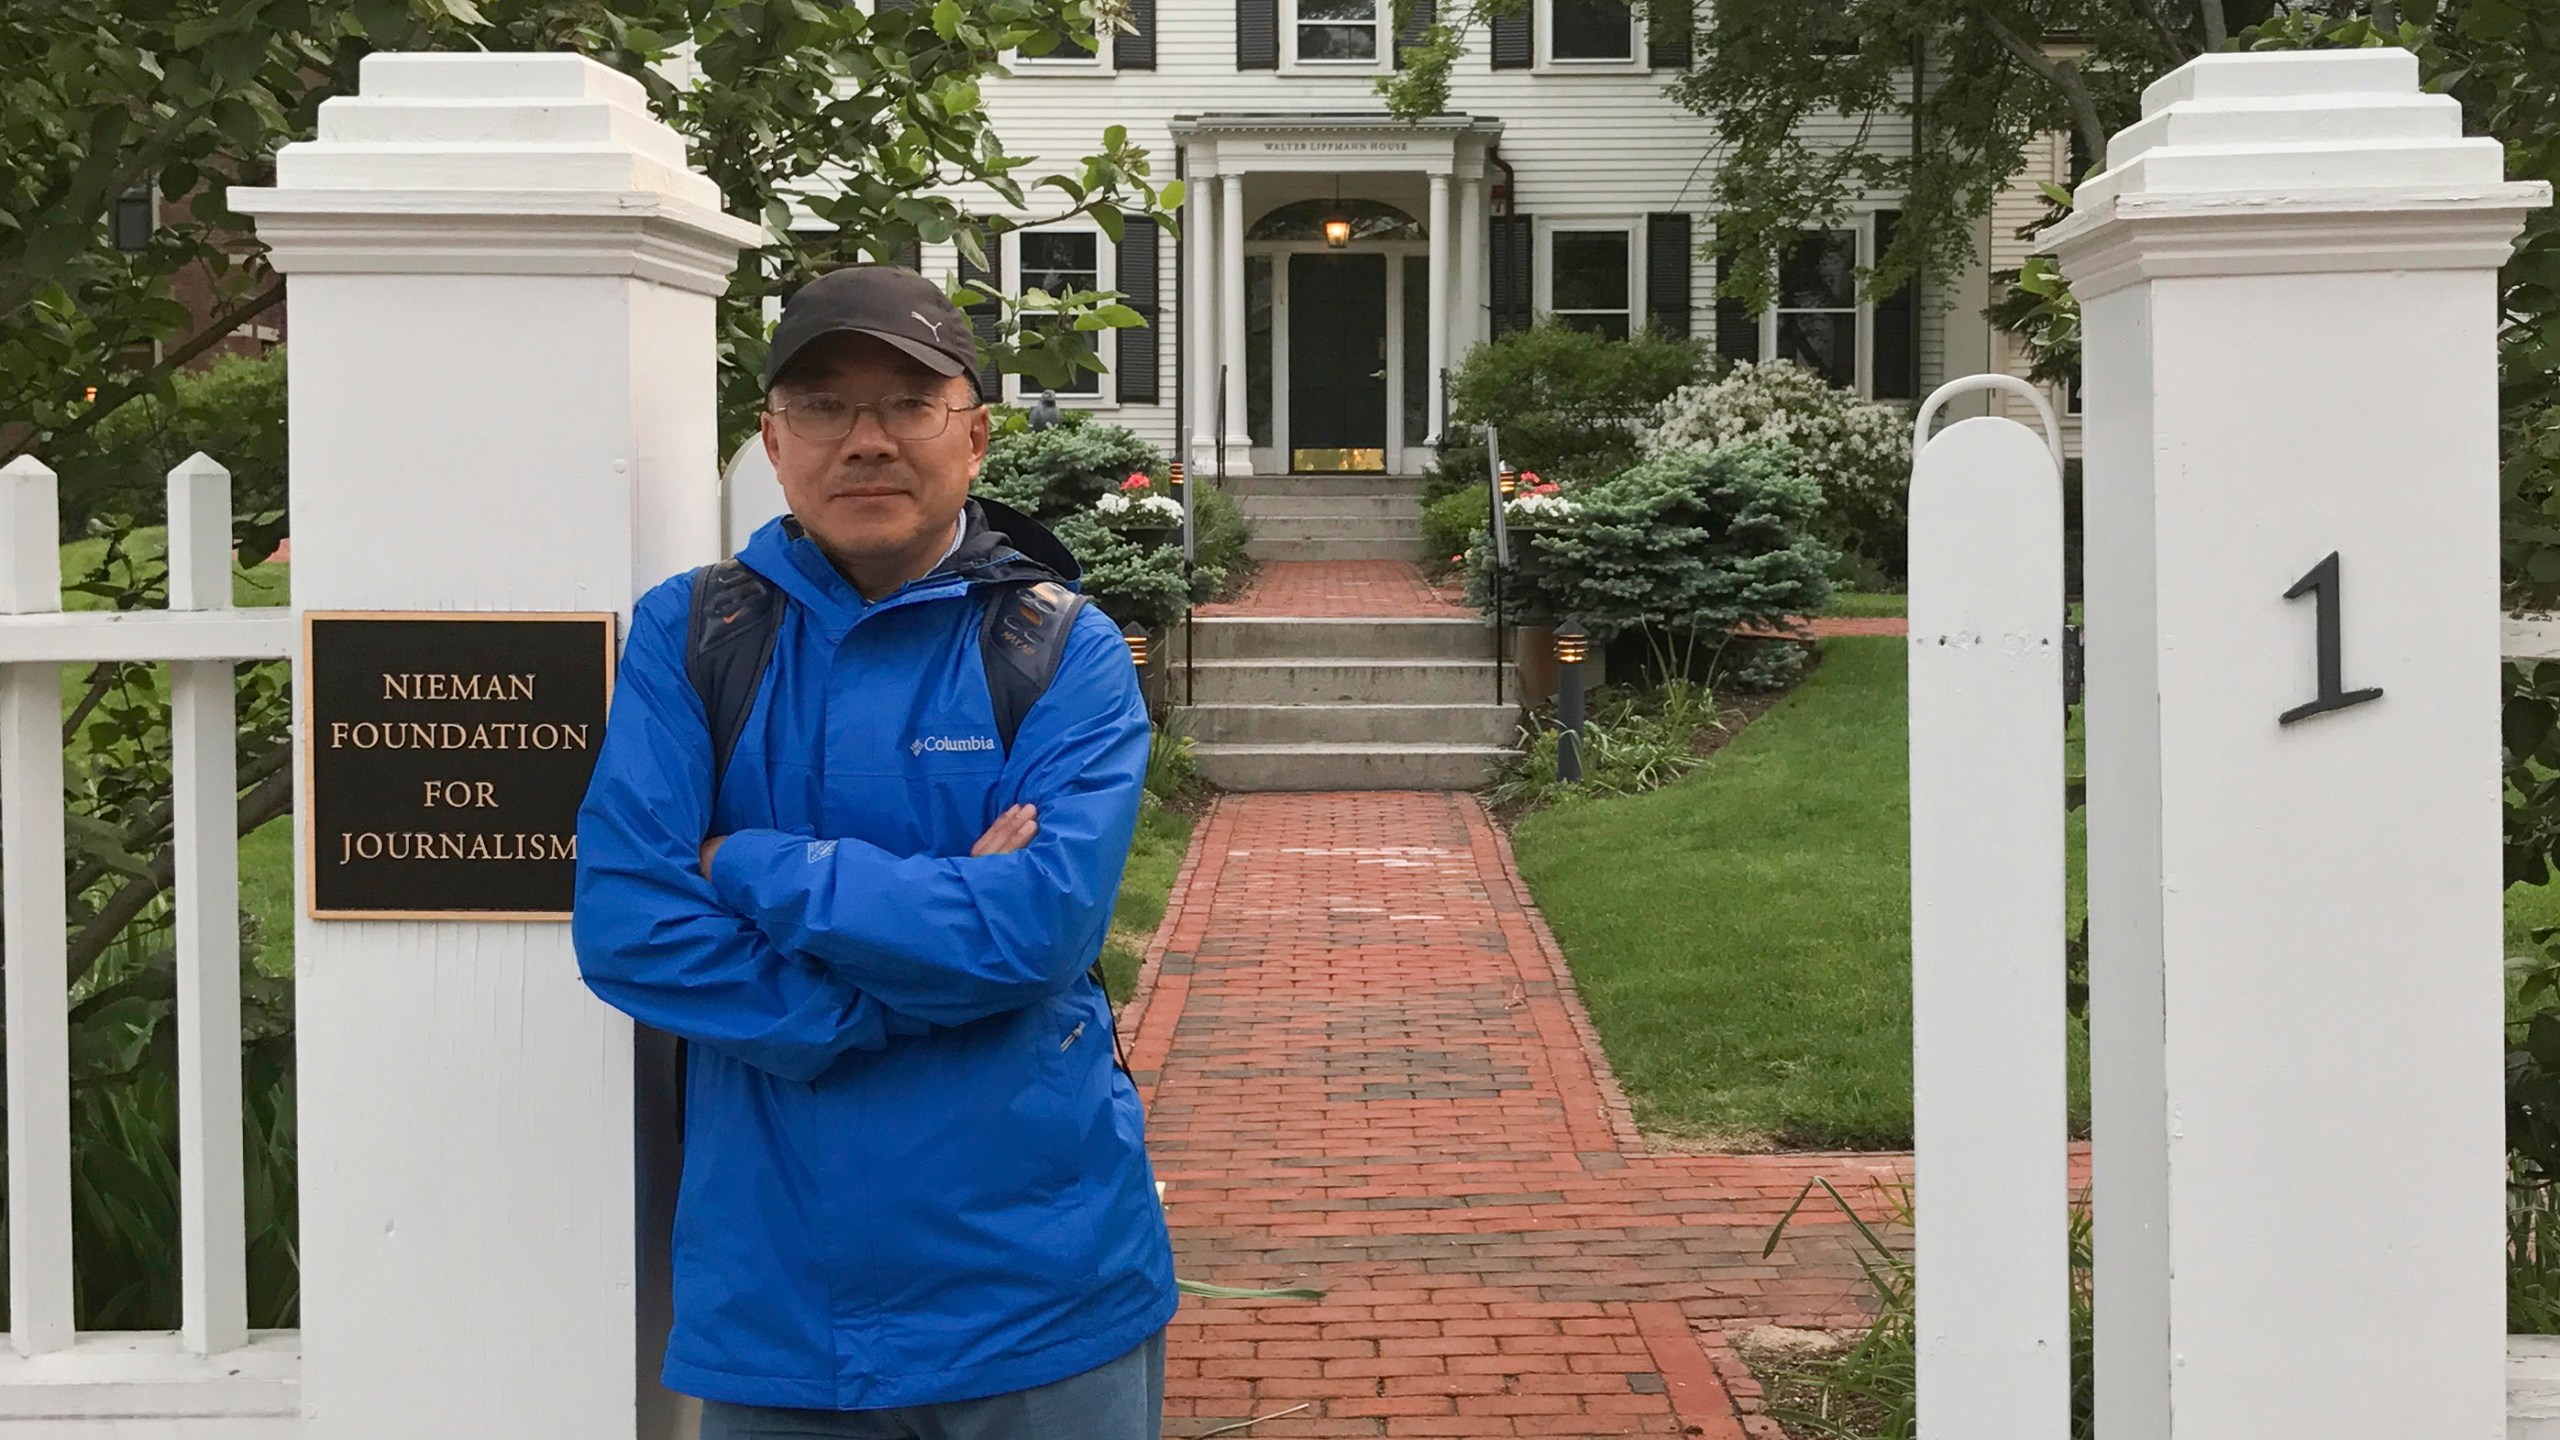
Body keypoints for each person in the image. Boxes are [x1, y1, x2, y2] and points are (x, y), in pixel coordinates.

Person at [572, 265, 1174, 1439]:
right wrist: (889, 998)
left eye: (907, 404)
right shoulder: (693, 635)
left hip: (1041, 1288)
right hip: (783, 1303)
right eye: (821, 406)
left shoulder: (1060, 650)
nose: (865, 441)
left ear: (976, 437)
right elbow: (631, 927)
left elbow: (1035, 929)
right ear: (772, 440)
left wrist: (745, 866)